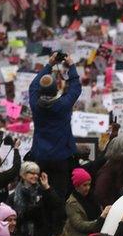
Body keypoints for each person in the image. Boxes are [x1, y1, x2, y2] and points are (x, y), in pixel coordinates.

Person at [28, 52, 82, 199]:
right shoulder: (63, 105)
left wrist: (50, 64)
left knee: (42, 193)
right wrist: (71, 66)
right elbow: (75, 88)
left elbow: (32, 86)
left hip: (41, 156)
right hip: (61, 158)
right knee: (60, 194)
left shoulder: (35, 104)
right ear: (55, 89)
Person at [11, 161, 63, 236]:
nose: (35, 176)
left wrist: (47, 186)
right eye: (31, 173)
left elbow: (57, 205)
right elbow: (15, 217)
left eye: (36, 174)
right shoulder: (14, 196)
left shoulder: (43, 191)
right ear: (23, 175)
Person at [58, 169, 110, 236]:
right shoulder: (72, 203)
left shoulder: (92, 199)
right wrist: (100, 220)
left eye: (89, 184)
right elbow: (80, 225)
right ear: (77, 186)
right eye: (84, 185)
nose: (87, 188)